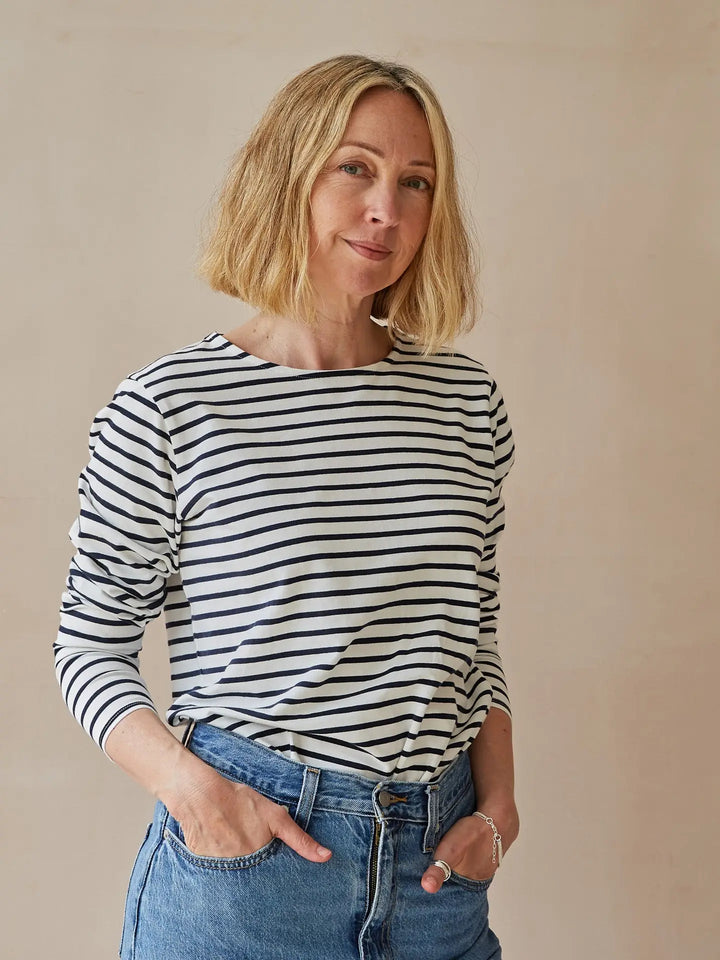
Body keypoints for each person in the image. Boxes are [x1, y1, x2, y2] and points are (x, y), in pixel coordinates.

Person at [54, 53, 519, 960]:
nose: (388, 207)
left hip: (437, 878)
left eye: (415, 182)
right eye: (357, 168)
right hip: (253, 879)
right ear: (288, 176)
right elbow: (88, 646)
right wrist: (197, 795)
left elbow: (476, 635)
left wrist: (499, 809)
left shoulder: (468, 405)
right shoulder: (169, 406)